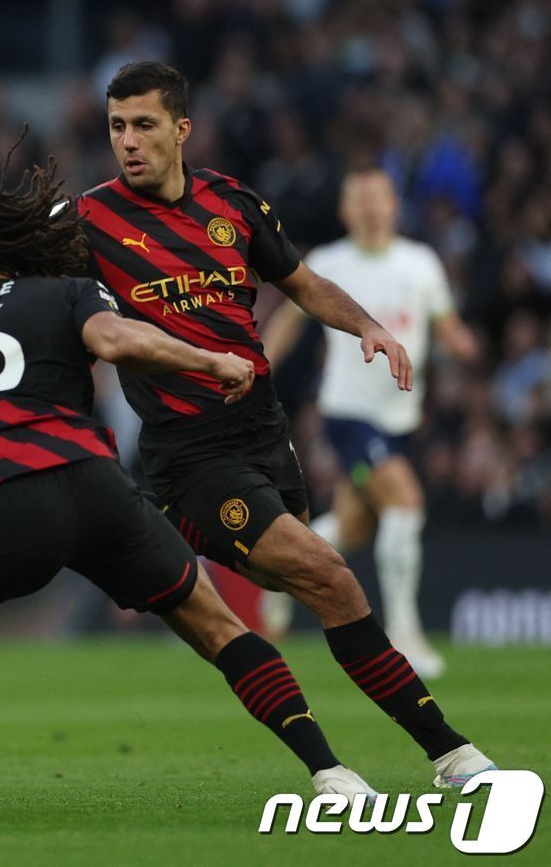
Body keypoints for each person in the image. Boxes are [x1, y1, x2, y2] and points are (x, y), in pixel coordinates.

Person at [0, 161, 378, 814]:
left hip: (3, 508)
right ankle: (330, 770)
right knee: (215, 623)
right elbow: (122, 339)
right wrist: (211, 358)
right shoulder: (66, 291)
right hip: (99, 491)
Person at [75, 61, 495, 789]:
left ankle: (341, 763)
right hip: (190, 454)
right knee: (331, 576)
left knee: (319, 585)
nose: (128, 142)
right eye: (117, 126)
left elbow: (300, 285)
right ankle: (450, 754)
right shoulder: (90, 219)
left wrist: (365, 324)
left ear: (182, 128)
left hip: (267, 434)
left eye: (143, 124)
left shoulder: (233, 203)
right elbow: (8, 266)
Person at [260, 167, 479, 677]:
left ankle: (275, 567)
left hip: (403, 419)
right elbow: (289, 322)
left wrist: (469, 349)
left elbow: (449, 331)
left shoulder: (420, 263)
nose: (369, 208)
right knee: (405, 502)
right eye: (358, 199)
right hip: (348, 417)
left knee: (354, 529)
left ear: (393, 205)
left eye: (377, 197)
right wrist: (257, 366)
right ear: (344, 210)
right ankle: (404, 635)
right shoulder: (328, 264)